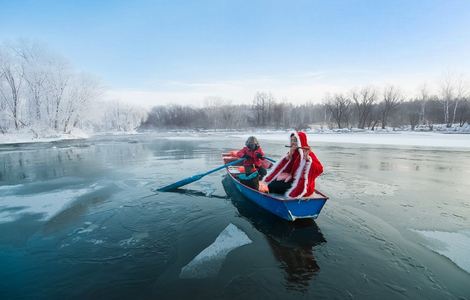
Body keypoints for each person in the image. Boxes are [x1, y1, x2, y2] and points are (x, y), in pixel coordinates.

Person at [263, 131, 323, 198]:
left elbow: (320, 170)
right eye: (292, 140)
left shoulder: (309, 154)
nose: (293, 142)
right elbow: (285, 169)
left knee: (272, 186)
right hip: (292, 180)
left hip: (302, 186)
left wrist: (308, 160)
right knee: (271, 184)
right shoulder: (294, 152)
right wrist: (288, 157)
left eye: (295, 140)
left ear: (301, 141)